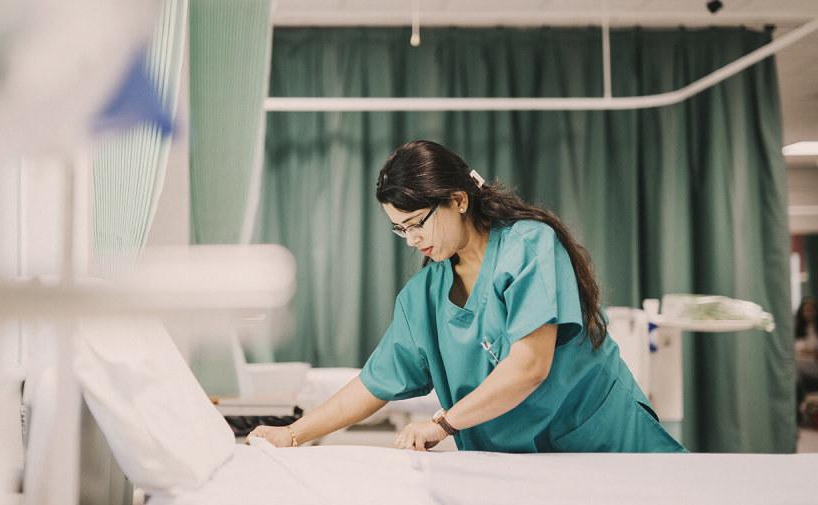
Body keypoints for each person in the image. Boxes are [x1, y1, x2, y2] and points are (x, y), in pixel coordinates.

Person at [249, 140, 684, 453]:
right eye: (399, 229)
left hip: (603, 440)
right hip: (521, 467)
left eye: (417, 222)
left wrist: (443, 423)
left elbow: (529, 365)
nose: (411, 239)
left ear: (458, 199)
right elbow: (372, 384)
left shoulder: (529, 246)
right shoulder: (424, 295)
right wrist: (291, 434)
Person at [794, 297, 818, 425]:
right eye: (806, 310)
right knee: (795, 374)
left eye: (811, 310)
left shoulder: (815, 329)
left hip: (814, 367)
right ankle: (799, 412)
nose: (809, 313)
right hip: (800, 366)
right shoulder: (797, 329)